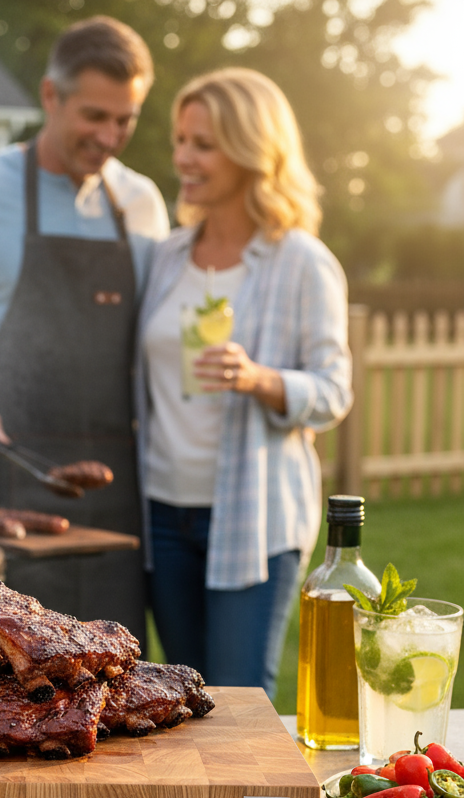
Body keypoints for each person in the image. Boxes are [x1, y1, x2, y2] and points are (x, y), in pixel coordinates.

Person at [0, 17, 169, 643]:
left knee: (110, 672)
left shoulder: (143, 205)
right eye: (94, 116)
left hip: (113, 490)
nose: (109, 137)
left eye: (124, 120)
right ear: (51, 96)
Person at [135, 67, 352, 697]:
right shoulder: (167, 256)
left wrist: (260, 379)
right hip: (161, 514)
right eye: (180, 140)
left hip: (253, 518)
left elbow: (335, 390)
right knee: (182, 695)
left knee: (237, 702)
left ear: (252, 151)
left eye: (203, 144)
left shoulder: (301, 261)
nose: (183, 157)